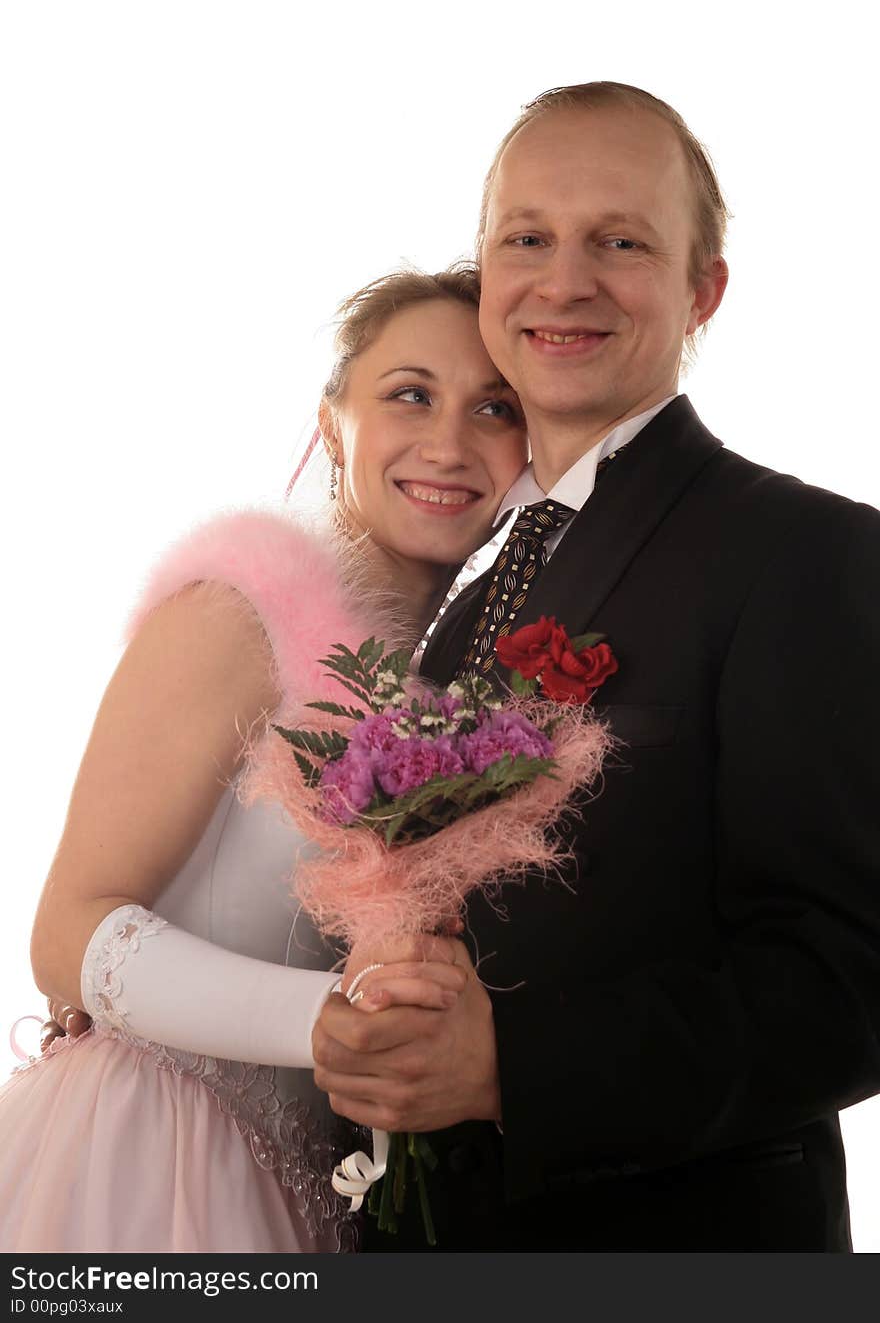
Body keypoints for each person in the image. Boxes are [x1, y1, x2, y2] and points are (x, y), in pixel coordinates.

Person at [312, 83, 880, 1251]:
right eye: (528, 239)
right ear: (487, 272)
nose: (563, 280)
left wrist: (511, 1066)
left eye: (619, 241)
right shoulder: (472, 584)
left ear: (700, 289)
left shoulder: (808, 553)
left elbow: (850, 978)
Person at [0, 265, 529, 1253]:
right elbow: (64, 933)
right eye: (409, 392)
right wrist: (324, 1017)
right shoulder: (238, 613)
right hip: (141, 1166)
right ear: (333, 425)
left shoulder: (464, 708)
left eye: (494, 407)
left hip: (310, 1197)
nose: (449, 441)